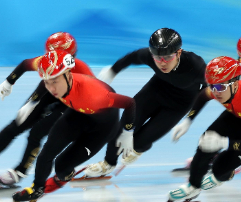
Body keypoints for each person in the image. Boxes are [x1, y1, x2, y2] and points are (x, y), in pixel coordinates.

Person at [0, 32, 94, 187]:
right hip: (48, 92)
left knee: (36, 132)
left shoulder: (82, 70)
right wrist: (10, 83)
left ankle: (20, 171)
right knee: (16, 125)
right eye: (51, 58)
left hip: (71, 104)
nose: (53, 62)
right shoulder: (48, 61)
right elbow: (25, 64)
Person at [11, 50, 136, 202]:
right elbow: (27, 65)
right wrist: (30, 102)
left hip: (102, 127)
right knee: (46, 155)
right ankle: (37, 188)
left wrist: (128, 131)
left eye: (55, 81)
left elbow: (130, 103)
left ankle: (64, 177)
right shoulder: (54, 79)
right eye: (47, 82)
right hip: (78, 113)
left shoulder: (96, 95)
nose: (51, 88)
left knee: (61, 167)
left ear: (69, 75)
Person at [82, 28, 206, 177]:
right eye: (157, 58)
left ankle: (139, 149)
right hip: (154, 91)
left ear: (178, 53)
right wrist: (112, 71)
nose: (162, 63)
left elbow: (209, 89)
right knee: (122, 130)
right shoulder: (148, 55)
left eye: (167, 57)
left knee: (139, 142)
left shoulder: (196, 66)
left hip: (178, 106)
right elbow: (131, 57)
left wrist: (190, 118)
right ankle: (108, 164)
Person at [167, 56, 241, 202]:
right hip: (237, 114)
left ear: (235, 84)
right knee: (206, 142)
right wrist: (188, 120)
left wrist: (225, 143)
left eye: (220, 87)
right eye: (212, 86)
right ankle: (193, 187)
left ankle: (226, 173)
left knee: (220, 169)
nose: (215, 92)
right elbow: (202, 96)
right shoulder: (220, 87)